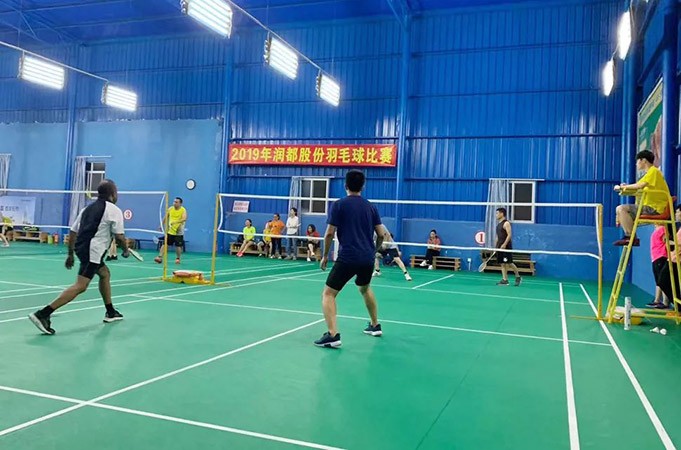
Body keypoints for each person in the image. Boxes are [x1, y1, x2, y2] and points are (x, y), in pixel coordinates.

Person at [28, 180, 130, 335]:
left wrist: (70, 254)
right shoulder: (114, 210)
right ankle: (43, 314)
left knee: (104, 274)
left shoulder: (87, 209)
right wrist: (126, 250)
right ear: (112, 194)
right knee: (81, 286)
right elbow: (120, 236)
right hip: (93, 252)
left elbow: (73, 231)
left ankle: (110, 312)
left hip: (82, 249)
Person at [315, 170, 389, 348]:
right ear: (363, 186)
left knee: (328, 294)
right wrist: (373, 251)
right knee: (365, 288)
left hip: (348, 257)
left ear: (345, 185)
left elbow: (329, 233)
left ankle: (333, 335)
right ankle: (375, 326)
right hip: (367, 258)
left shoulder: (339, 205)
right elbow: (381, 234)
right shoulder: (371, 207)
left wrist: (324, 256)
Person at [614, 150, 671, 246]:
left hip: (655, 208)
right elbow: (637, 188)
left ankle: (630, 237)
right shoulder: (648, 175)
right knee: (621, 213)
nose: (636, 164)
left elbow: (640, 185)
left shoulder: (653, 171)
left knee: (621, 209)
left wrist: (622, 187)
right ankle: (630, 237)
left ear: (643, 160)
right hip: (650, 207)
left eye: (637, 161)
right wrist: (626, 187)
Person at [656, 206, 681, 308]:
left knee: (663, 281)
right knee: (667, 283)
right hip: (672, 258)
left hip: (677, 260)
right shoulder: (679, 228)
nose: (676, 214)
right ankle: (678, 306)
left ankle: (678, 305)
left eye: (677, 212)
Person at [155, 197, 187, 265]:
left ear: (180, 203)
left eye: (176, 202)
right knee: (165, 243)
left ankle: (178, 258)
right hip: (170, 230)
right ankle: (159, 257)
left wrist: (175, 222)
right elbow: (165, 217)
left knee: (178, 246)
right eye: (174, 202)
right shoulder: (170, 209)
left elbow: (184, 219)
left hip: (179, 231)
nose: (174, 203)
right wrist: (161, 225)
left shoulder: (183, 210)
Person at [495, 207, 521, 286]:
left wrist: (504, 244)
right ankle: (505, 280)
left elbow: (509, 235)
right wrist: (495, 247)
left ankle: (518, 277)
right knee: (502, 263)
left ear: (502, 214)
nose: (496, 215)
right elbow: (498, 237)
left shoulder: (506, 223)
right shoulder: (498, 225)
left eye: (497, 213)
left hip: (506, 247)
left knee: (509, 262)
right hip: (499, 246)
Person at [646, 224, 670, 309]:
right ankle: (657, 300)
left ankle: (665, 302)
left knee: (662, 280)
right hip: (655, 257)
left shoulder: (663, 228)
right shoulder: (656, 229)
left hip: (661, 256)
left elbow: (666, 241)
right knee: (658, 281)